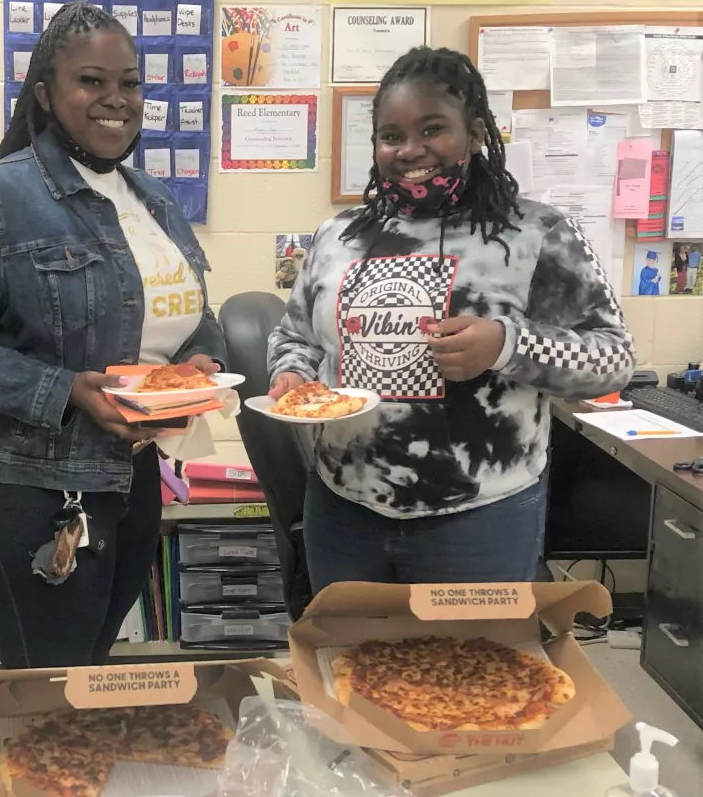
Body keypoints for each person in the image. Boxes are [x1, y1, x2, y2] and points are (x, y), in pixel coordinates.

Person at [0, 2, 226, 668]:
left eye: (129, 83)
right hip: (28, 486)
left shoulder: (154, 199)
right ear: (47, 95)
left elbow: (196, 314)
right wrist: (67, 390)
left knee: (90, 666)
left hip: (134, 472)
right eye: (92, 81)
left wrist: (200, 361)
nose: (116, 99)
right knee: (50, 679)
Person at [267, 47, 636, 592]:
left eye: (432, 129)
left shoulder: (536, 234)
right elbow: (295, 336)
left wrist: (507, 346)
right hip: (343, 508)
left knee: (468, 652)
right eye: (391, 135)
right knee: (348, 648)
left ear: (476, 133)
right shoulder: (338, 236)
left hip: (479, 517)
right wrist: (292, 375)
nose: (410, 149)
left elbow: (615, 358)